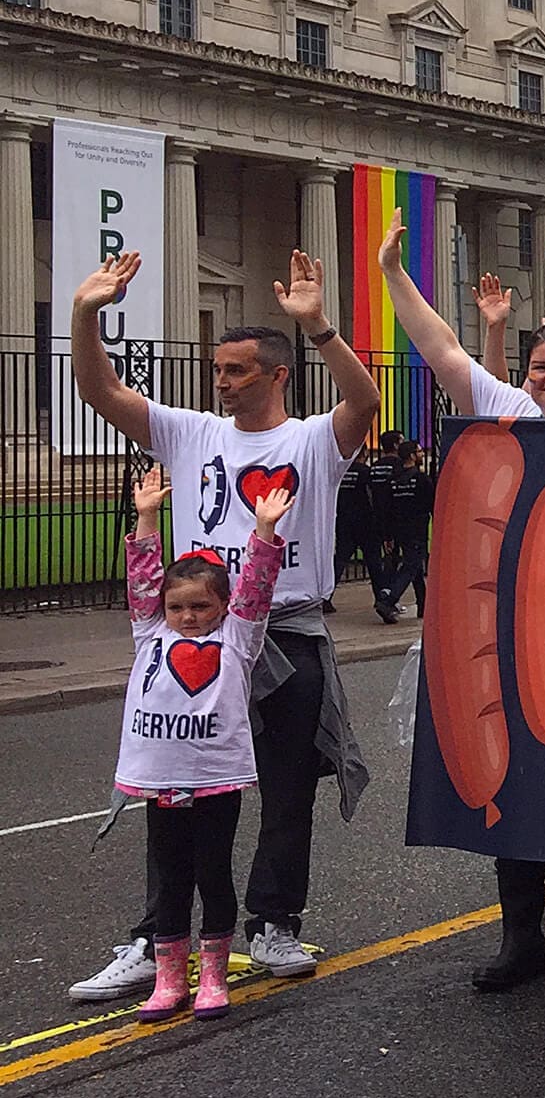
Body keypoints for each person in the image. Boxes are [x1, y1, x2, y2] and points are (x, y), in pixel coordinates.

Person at [67, 250, 375, 1003]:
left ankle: (273, 923)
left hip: (287, 632)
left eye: (237, 369)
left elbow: (365, 403)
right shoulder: (189, 432)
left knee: (288, 788)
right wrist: (85, 313)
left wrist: (321, 327)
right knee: (176, 790)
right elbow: (100, 391)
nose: (221, 380)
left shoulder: (309, 441)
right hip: (196, 639)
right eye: (217, 369)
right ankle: (155, 936)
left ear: (277, 375)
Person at [376, 209, 545, 993]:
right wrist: (393, 274)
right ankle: (521, 939)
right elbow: (443, 352)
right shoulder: (510, 414)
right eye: (541, 367)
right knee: (508, 784)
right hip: (502, 632)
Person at [115, 468, 292, 1022]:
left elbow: (257, 592)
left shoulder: (239, 640)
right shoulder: (151, 633)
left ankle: (213, 974)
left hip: (216, 778)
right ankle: (170, 978)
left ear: (222, 608)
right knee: (170, 878)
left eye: (200, 607)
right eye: (177, 608)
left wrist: (263, 531)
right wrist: (146, 516)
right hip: (161, 780)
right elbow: (143, 581)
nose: (188, 617)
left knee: (212, 874)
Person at [333, 429, 391, 614]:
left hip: (344, 521)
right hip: (366, 523)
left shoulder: (341, 474)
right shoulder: (366, 472)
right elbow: (372, 497)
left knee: (339, 560)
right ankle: (381, 596)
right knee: (374, 562)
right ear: (364, 454)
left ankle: (326, 596)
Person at [377, 439, 434, 621]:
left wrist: (388, 535)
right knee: (411, 566)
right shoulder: (420, 479)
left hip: (399, 529)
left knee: (415, 567)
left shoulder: (393, 480)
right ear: (411, 456)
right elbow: (432, 505)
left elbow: (386, 509)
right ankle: (389, 599)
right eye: (419, 452)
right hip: (416, 529)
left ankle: (423, 606)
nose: (422, 454)